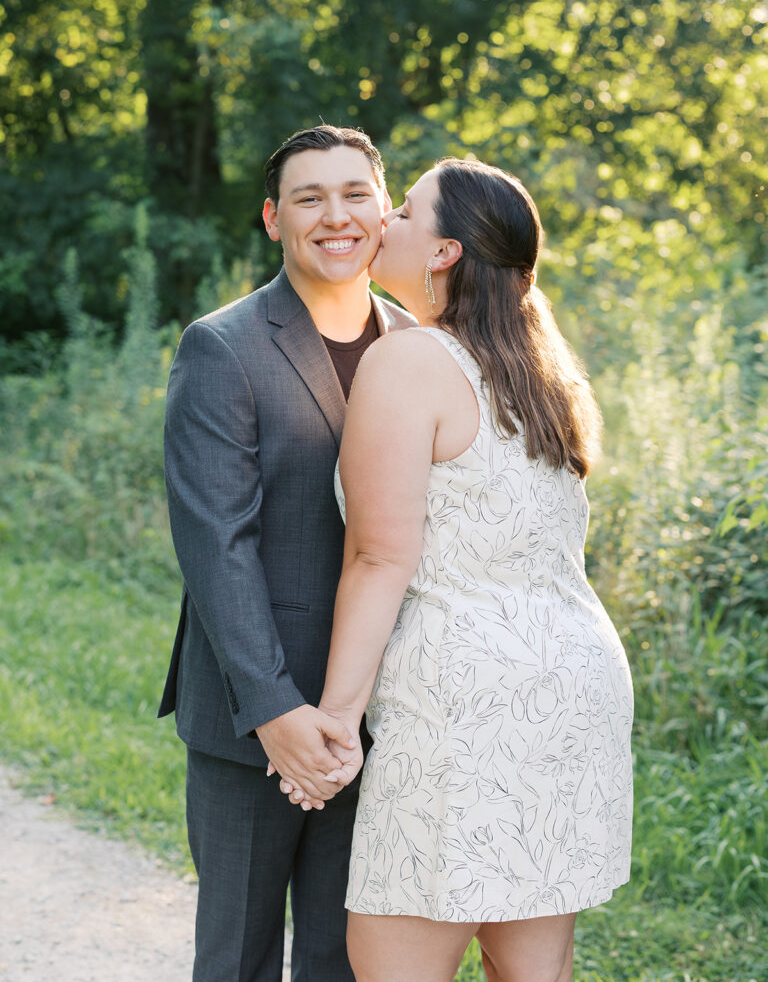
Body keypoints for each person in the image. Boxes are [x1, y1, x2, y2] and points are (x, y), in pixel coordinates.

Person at [277, 158, 634, 982]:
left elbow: (381, 554)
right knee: (530, 966)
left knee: (396, 960)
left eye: (405, 212)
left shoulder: (409, 360)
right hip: (575, 689)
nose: (384, 222)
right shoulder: (542, 371)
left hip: (466, 702)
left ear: (444, 253)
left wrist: (337, 720)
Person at [157, 125, 416, 982]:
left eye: (355, 195)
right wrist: (276, 714)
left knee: (349, 959)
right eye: (310, 198)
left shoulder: (418, 342)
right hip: (252, 722)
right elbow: (216, 547)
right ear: (274, 219)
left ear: (385, 211)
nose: (335, 216)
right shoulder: (221, 346)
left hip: (383, 716)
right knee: (239, 956)